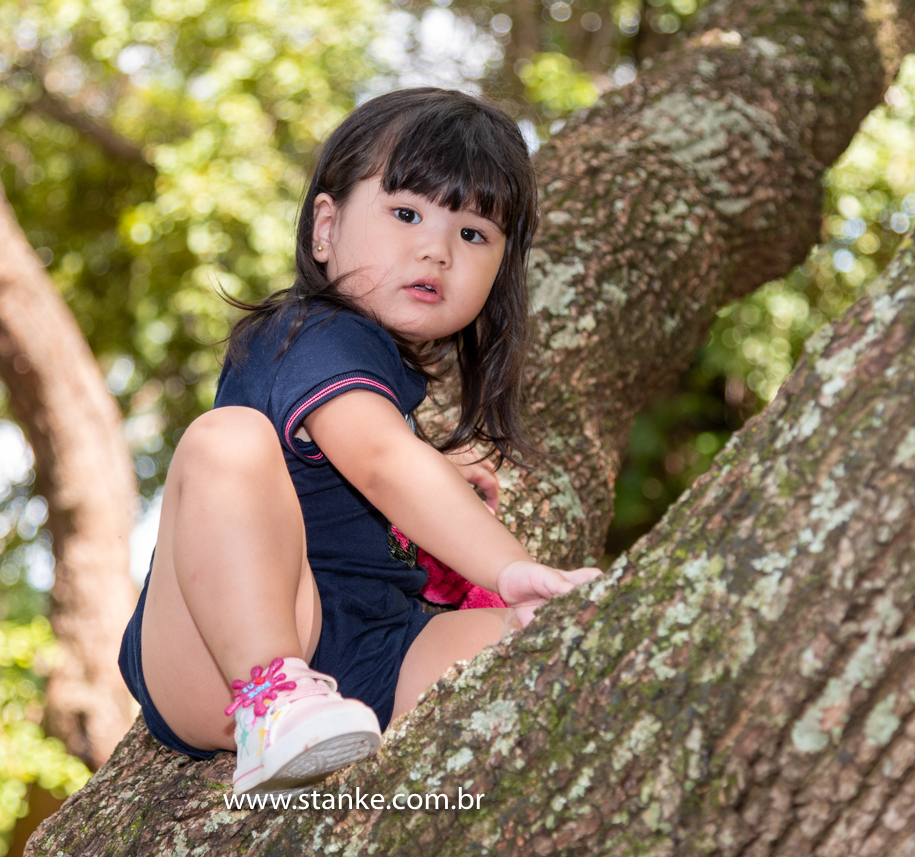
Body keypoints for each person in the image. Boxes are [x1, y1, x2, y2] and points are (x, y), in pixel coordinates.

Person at [118, 87, 602, 797]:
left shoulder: (382, 389)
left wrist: (437, 469)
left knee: (553, 642)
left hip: (381, 649)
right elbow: (379, 461)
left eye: (473, 234)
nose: (436, 248)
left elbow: (379, 451)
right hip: (230, 655)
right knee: (227, 440)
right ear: (325, 228)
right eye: (406, 213)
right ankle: (271, 697)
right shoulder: (308, 332)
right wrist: (511, 568)